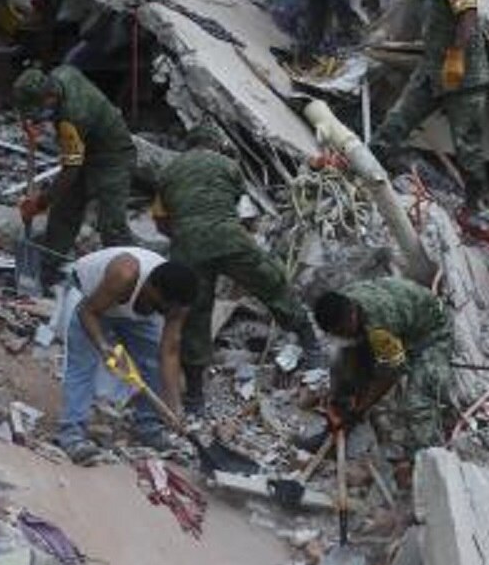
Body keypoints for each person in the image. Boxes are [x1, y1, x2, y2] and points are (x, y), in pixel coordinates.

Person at [154, 125, 322, 414]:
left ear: (189, 145)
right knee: (272, 282)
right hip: (229, 238)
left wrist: (186, 235)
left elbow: (159, 221)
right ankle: (312, 347)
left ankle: (195, 398)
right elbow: (242, 213)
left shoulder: (168, 171)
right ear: (214, 146)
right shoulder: (228, 166)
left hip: (187, 245)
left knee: (194, 314)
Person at [372, 0, 489, 207]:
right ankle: (367, 165)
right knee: (398, 120)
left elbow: (468, 17)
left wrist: (457, 53)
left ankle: (475, 204)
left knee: (467, 145)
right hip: (431, 70)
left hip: (466, 76)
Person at [55, 248, 199, 464]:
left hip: (132, 311)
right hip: (91, 299)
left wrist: (174, 407)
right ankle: (72, 435)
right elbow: (88, 312)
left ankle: (149, 428)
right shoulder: (125, 274)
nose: (167, 314)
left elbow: (168, 353)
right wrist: (103, 346)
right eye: (163, 307)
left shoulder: (177, 303)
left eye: (171, 311)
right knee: (83, 364)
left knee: (152, 361)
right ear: (151, 288)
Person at [313, 278, 456, 455]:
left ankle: (428, 456)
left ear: (351, 316)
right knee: (342, 364)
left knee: (417, 403)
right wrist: (339, 393)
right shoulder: (343, 300)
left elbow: (390, 374)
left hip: (431, 332)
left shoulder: (380, 328)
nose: (341, 336)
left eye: (342, 331)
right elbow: (349, 349)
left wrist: (361, 409)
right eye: (336, 333)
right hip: (399, 319)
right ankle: (337, 422)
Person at [13, 66, 136, 267]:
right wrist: (33, 121)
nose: (38, 113)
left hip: (112, 154)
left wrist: (41, 203)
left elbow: (70, 170)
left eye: (38, 107)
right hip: (85, 145)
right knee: (64, 208)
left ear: (51, 96)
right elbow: (36, 109)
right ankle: (50, 261)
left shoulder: (73, 117)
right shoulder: (61, 73)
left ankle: (131, 270)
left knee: (111, 223)